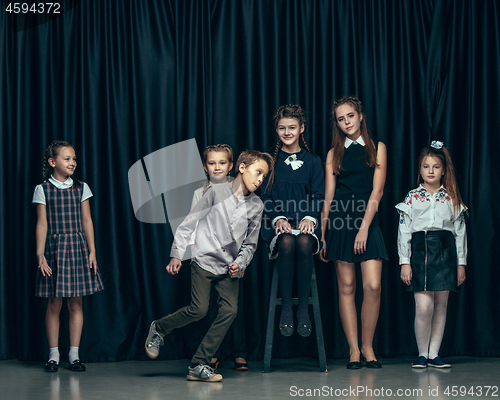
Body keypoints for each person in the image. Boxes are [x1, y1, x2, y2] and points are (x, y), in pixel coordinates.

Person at [145, 150, 273, 382]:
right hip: (203, 261)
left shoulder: (257, 205)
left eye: (264, 176)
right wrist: (176, 255)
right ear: (242, 168)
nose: (260, 179)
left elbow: (250, 244)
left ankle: (199, 364)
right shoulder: (215, 192)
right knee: (199, 310)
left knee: (230, 311)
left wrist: (239, 263)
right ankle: (160, 328)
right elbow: (188, 223)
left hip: (228, 269)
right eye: (258, 172)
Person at [319, 96, 388, 369]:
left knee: (372, 286)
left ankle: (368, 346)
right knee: (346, 287)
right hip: (339, 222)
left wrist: (364, 229)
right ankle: (354, 351)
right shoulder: (333, 154)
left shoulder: (376, 147)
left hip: (367, 222)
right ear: (336, 123)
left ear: (361, 116)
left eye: (350, 116)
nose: (346, 122)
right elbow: (328, 197)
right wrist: (323, 234)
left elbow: (378, 191)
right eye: (340, 118)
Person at [33, 140, 104, 372]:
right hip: (55, 250)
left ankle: (74, 355)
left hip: (77, 248)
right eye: (67, 158)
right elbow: (42, 224)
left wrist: (92, 250)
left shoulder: (81, 187)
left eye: (74, 158)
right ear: (53, 162)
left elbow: (87, 221)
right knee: (54, 303)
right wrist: (40, 254)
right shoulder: (42, 189)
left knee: (76, 303)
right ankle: (53, 355)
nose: (72, 162)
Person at [396, 141, 467, 369]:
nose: (430, 171)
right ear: (420, 169)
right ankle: (421, 353)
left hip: (446, 252)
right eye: (426, 166)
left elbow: (460, 233)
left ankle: (434, 354)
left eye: (436, 167)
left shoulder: (451, 197)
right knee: (424, 306)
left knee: (441, 304)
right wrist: (404, 262)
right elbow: (404, 231)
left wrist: (461, 263)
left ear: (443, 170)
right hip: (420, 251)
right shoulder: (412, 197)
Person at [261, 104, 324, 338]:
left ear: (302, 128)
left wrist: (310, 217)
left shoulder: (314, 161)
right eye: (281, 128)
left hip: (305, 221)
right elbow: (265, 197)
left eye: (292, 127)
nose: (287, 132)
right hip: (279, 223)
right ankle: (287, 306)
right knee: (287, 241)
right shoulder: (270, 161)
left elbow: (319, 195)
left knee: (305, 242)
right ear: (276, 130)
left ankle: (303, 309)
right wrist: (277, 218)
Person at [188, 144, 249, 371]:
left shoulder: (238, 190)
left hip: (232, 258)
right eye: (212, 163)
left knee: (233, 307)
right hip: (207, 258)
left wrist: (241, 260)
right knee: (211, 307)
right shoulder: (200, 193)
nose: (217, 167)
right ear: (205, 166)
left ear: (231, 166)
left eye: (222, 163)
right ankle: (213, 353)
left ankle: (239, 352)